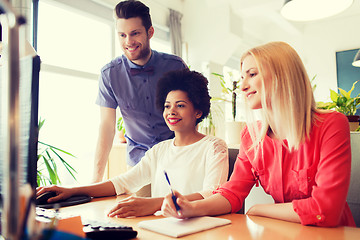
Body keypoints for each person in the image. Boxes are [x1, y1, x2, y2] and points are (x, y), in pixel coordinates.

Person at [161, 41, 356, 227]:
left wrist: (259, 210)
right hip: (285, 233)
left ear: (283, 75)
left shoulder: (332, 124)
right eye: (242, 77)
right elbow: (232, 193)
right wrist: (191, 208)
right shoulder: (251, 135)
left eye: (252, 74)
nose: (243, 86)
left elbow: (326, 210)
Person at [37, 69, 229, 218]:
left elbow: (212, 194)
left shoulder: (214, 147)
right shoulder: (159, 150)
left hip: (198, 228)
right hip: (163, 227)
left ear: (198, 111)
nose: (171, 112)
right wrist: (72, 190)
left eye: (180, 105)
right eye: (167, 106)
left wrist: (155, 203)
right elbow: (123, 182)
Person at [93, 0, 187, 184]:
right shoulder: (109, 74)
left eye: (135, 33)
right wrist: (95, 180)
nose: (128, 42)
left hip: (178, 159)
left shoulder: (176, 66)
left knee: (180, 211)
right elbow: (106, 127)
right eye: (122, 35)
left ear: (150, 32)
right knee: (137, 211)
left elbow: (190, 115)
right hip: (138, 165)